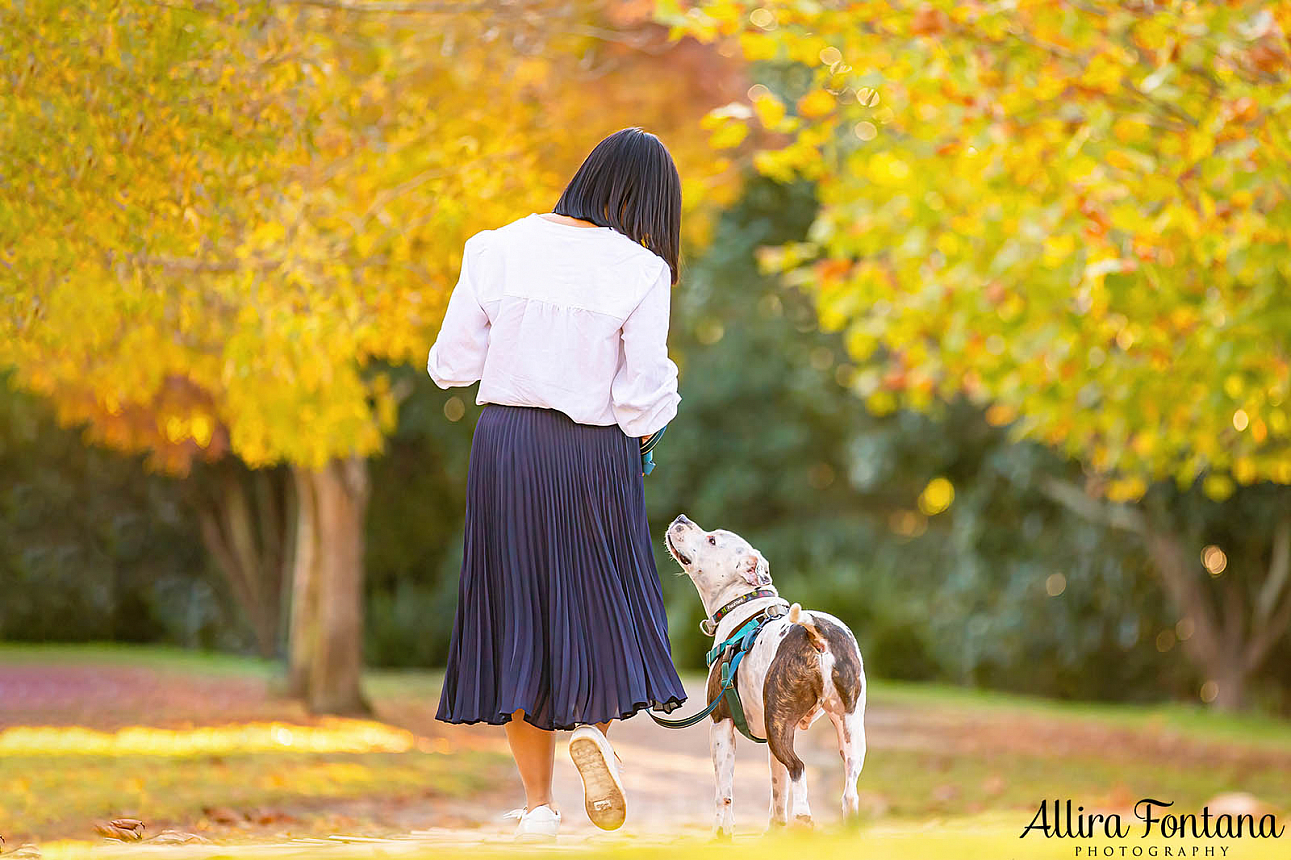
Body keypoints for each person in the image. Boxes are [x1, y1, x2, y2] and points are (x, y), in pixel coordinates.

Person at [426, 127, 687, 841]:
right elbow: (638, 398)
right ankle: (594, 737)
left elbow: (450, 363)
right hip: (593, 456)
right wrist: (665, 398)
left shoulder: (495, 247)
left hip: (506, 447)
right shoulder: (639, 268)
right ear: (649, 204)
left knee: (515, 607)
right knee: (595, 601)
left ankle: (538, 807)